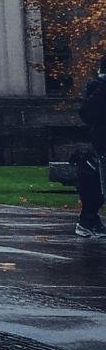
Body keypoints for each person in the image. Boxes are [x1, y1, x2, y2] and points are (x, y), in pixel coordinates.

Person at [75, 55, 106, 237]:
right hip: (103, 142)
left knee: (98, 184)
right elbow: (87, 113)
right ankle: (88, 220)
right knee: (99, 184)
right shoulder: (101, 90)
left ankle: (89, 220)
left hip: (101, 141)